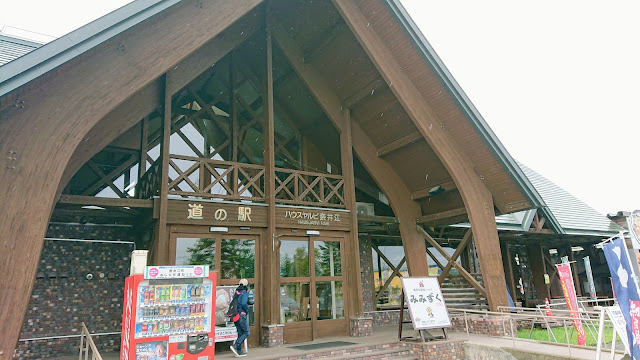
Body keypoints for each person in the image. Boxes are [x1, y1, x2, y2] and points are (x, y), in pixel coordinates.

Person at [229, 279, 250, 357]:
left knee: (240, 333)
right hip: (241, 315)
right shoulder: (244, 293)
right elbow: (243, 303)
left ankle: (239, 351)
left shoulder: (236, 293)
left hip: (235, 316)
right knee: (246, 332)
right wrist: (247, 310)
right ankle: (235, 345)